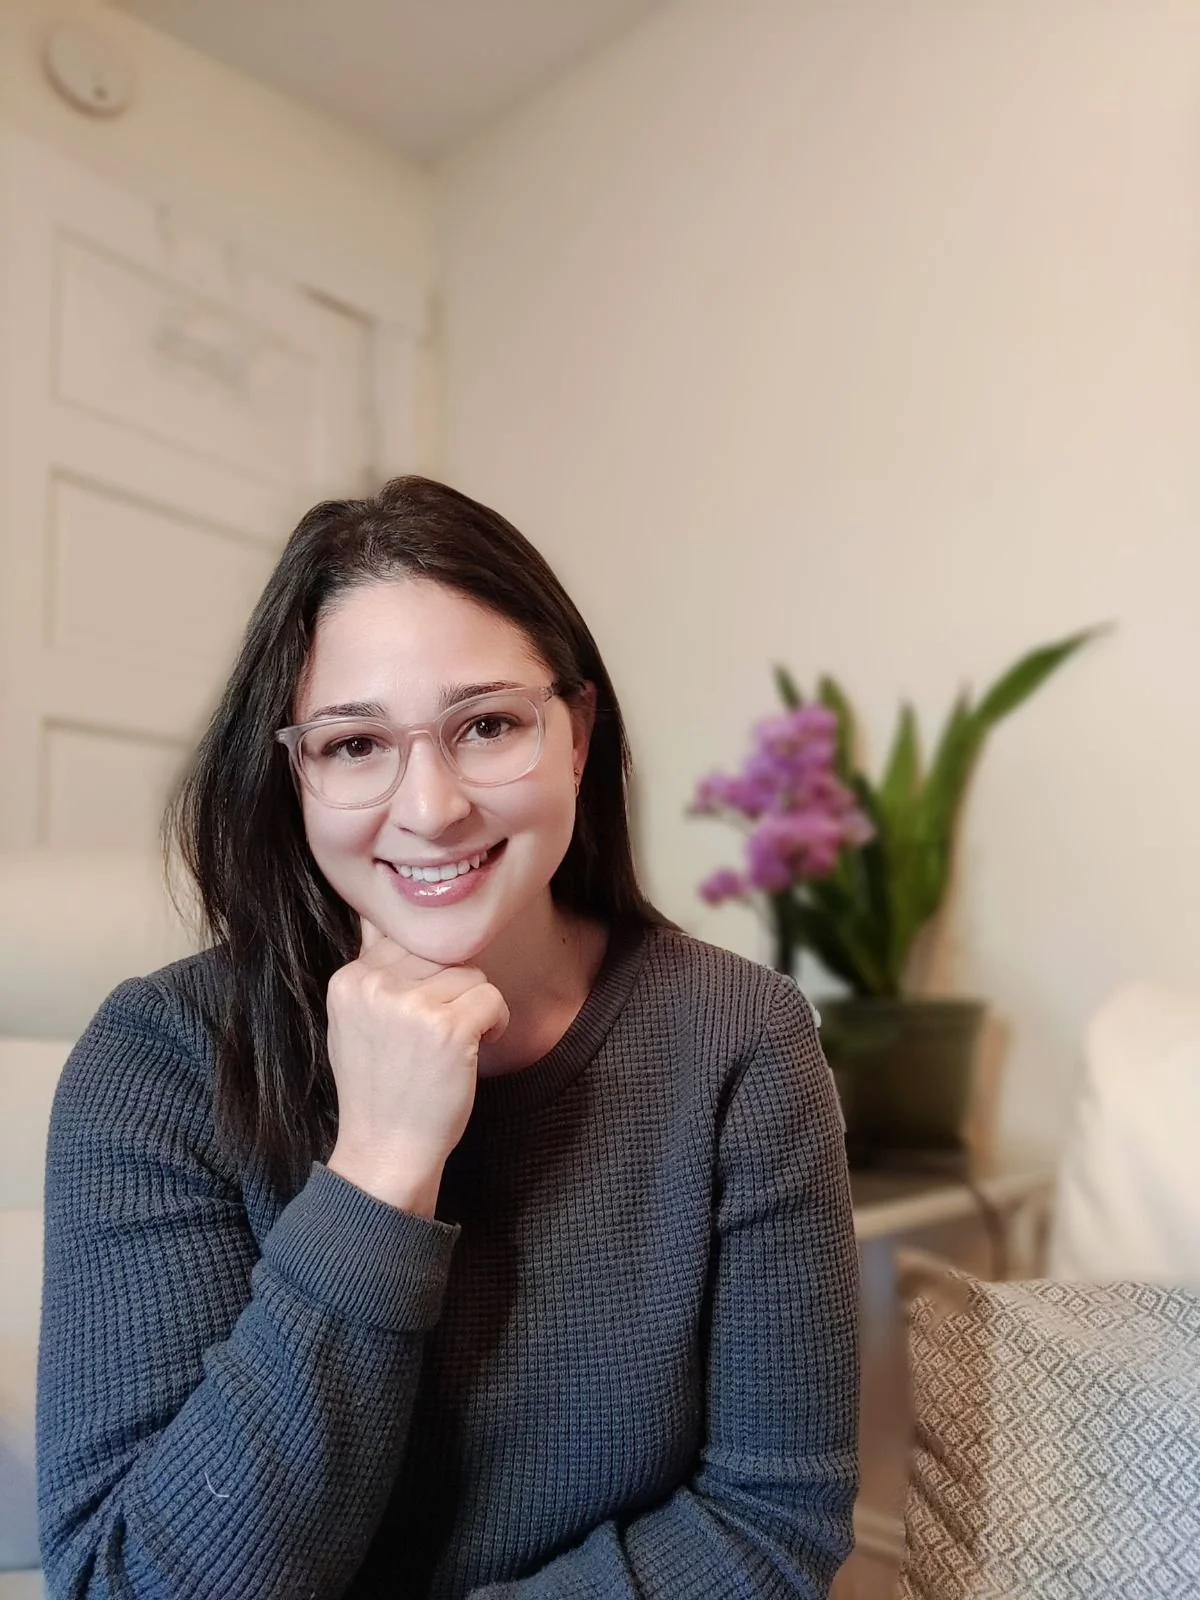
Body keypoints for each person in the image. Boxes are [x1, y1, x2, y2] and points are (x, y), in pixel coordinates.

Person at [37, 476, 859, 1599]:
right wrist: (379, 1168)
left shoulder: (740, 1039)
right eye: (354, 743)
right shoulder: (158, 1060)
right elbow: (124, 1580)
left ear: (576, 735)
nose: (430, 808)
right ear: (294, 775)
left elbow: (771, 1524)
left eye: (487, 725)